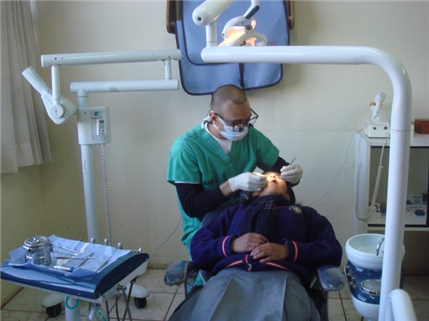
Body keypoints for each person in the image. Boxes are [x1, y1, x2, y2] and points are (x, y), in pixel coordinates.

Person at [168, 173, 342, 321]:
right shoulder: (232, 213)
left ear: (288, 195)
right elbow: (198, 247)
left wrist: (288, 251)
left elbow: (331, 250)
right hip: (227, 279)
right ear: (254, 192)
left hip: (284, 282)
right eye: (264, 177)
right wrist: (232, 244)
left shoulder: (305, 214)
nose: (272, 176)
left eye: (277, 177)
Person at [167, 85, 303, 253]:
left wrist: (293, 176)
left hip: (246, 219)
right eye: (237, 123)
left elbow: (280, 169)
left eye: (247, 120)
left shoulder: (251, 136)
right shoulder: (186, 148)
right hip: (208, 230)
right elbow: (192, 207)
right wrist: (233, 184)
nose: (244, 128)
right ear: (214, 118)